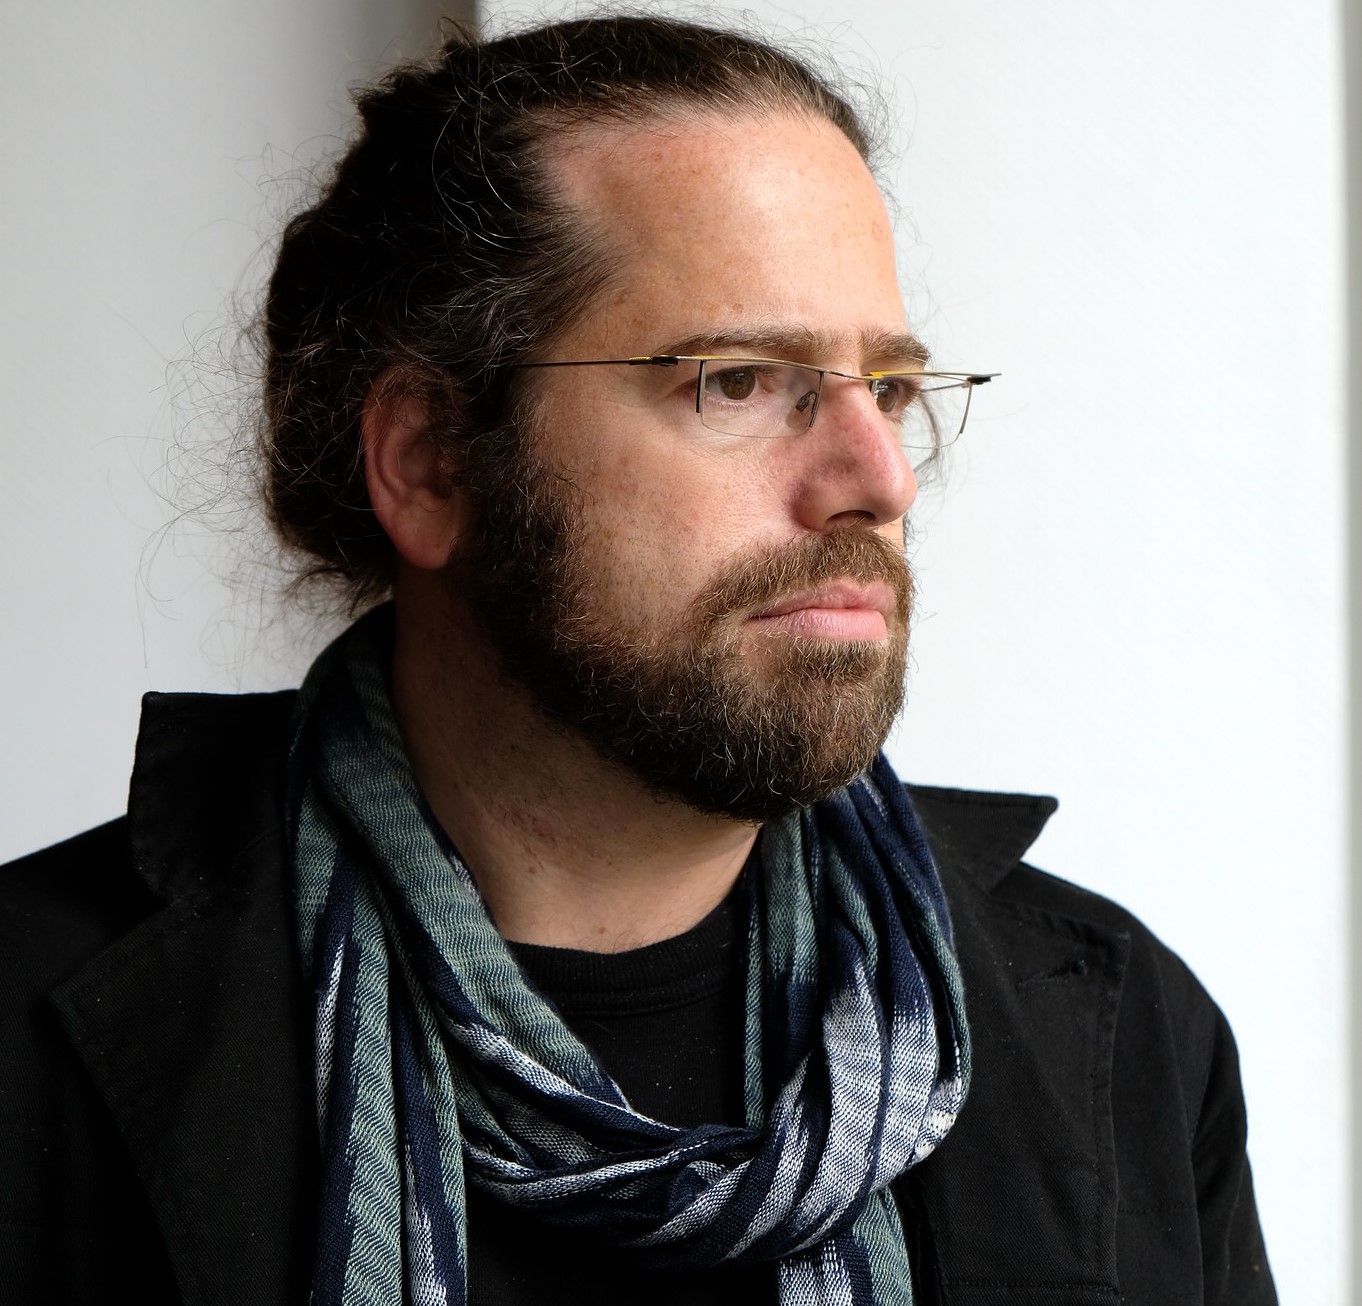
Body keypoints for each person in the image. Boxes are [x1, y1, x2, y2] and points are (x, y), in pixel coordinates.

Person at [0, 15, 1275, 1305]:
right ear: (431, 463)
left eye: (888, 387)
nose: (879, 479)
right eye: (737, 381)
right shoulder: (28, 1044)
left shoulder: (1132, 1041)